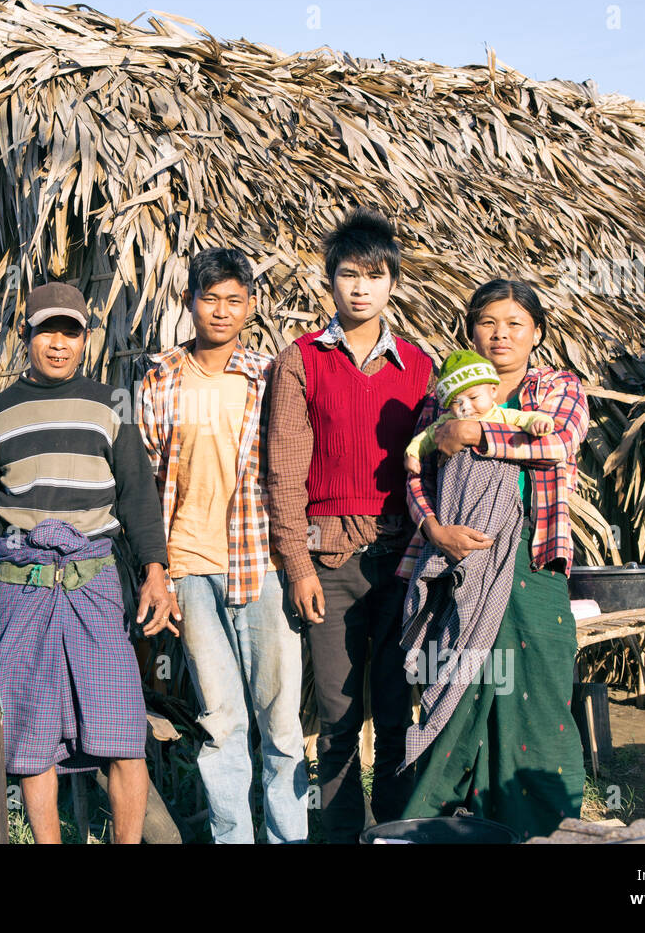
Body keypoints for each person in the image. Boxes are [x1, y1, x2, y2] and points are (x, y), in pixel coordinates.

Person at [0, 281, 177, 844]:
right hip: (23, 587)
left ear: (85, 339)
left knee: (120, 727)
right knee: (29, 731)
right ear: (26, 335)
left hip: (95, 583)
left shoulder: (108, 404)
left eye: (70, 332)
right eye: (46, 330)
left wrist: (154, 571)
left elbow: (138, 496)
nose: (58, 343)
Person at [397, 278, 588, 840]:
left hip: (532, 560)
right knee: (458, 690)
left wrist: (474, 433)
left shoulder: (556, 388)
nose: (500, 334)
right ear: (470, 330)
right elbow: (415, 474)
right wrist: (434, 528)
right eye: (487, 322)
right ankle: (434, 825)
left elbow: (557, 444)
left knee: (541, 693)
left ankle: (546, 830)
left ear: (537, 334)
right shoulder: (442, 398)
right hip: (460, 560)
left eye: (514, 324)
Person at [266, 208, 435, 842]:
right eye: (348, 274)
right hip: (328, 564)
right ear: (329, 282)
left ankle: (393, 832)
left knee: (395, 711)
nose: (361, 287)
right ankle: (338, 835)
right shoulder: (301, 361)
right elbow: (283, 473)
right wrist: (298, 566)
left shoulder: (420, 368)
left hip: (403, 562)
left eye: (375, 274)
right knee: (337, 718)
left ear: (393, 282)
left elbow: (436, 463)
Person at [138, 247, 308, 844]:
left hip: (260, 564)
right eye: (210, 298)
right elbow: (148, 478)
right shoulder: (160, 376)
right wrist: (158, 569)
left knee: (282, 724)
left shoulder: (270, 375)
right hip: (189, 566)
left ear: (251, 307)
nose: (221, 310)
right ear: (190, 303)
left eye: (234, 300)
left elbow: (292, 468)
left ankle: (289, 838)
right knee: (221, 723)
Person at [403, 349, 553, 475]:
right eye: (456, 402)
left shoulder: (500, 416)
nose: (465, 407)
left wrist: (540, 423)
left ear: (493, 390)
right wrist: (413, 455)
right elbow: (424, 438)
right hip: (455, 486)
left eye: (473, 397)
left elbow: (524, 419)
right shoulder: (446, 422)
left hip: (495, 485)